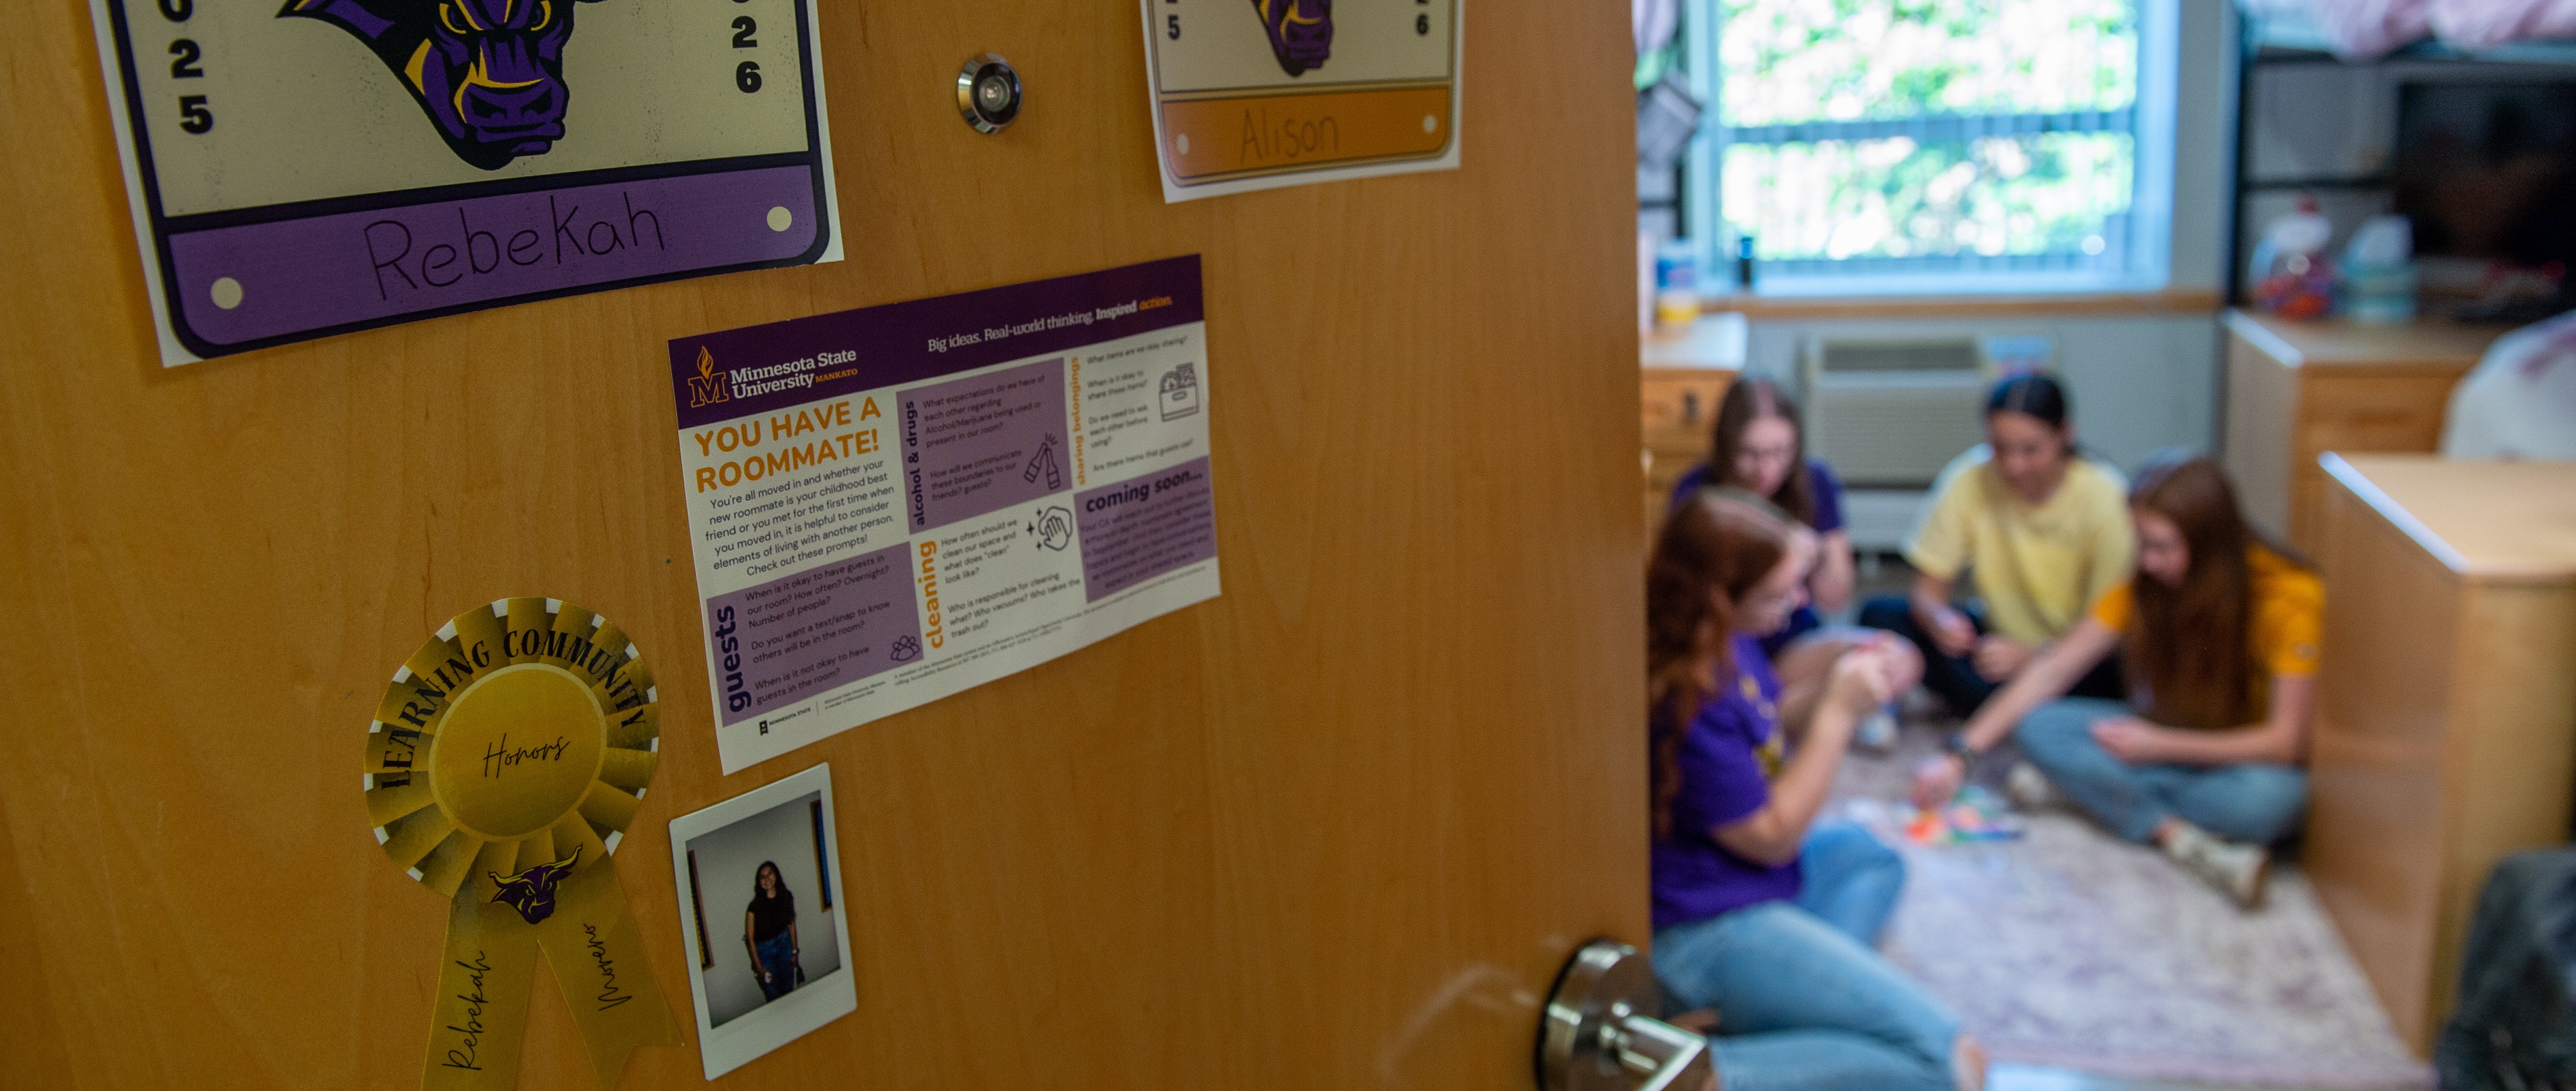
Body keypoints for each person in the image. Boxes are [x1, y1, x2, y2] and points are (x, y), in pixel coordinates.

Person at [1650, 491, 1983, 1091]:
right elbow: (1773, 838)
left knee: (1869, 856)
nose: (1798, 602)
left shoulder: (1729, 641)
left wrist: (1837, 677)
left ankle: (1783, 1007)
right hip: (1700, 931)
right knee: (1949, 1063)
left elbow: (1766, 722)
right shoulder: (1687, 700)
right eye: (1779, 595)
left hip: (1745, 889)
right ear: (1721, 599)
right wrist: (1837, 713)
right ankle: (1707, 1076)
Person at [1910, 454, 2321, 908]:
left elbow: (2286, 743)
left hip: (2231, 755)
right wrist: (1958, 756)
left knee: (2273, 803)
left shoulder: (2291, 599)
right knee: (2040, 725)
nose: (2147, 562)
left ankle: (2091, 790)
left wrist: (2160, 746)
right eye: (2141, 545)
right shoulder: (2144, 586)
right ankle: (2177, 836)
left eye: (2163, 547)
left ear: (2211, 544)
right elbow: (2051, 672)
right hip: (2166, 734)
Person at [1858, 375, 2135, 717]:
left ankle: (2011, 712)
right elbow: (1927, 592)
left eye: (2030, 450)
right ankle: (2008, 712)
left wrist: (2035, 657)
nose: (2013, 465)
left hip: (2075, 662)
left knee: (2122, 674)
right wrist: (1940, 620)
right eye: (2000, 447)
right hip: (1993, 648)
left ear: (2066, 434)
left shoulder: (2107, 499)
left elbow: (2109, 632)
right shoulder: (1970, 477)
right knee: (1880, 616)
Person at [1672, 377, 1919, 740]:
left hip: (1792, 647)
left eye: (1780, 453)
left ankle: (1790, 712)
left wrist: (1815, 554)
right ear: (1725, 448)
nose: (1766, 469)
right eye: (1750, 453)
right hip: (1728, 649)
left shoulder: (1813, 481)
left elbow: (1834, 597)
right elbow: (1686, 608)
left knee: (1901, 657)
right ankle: (1797, 714)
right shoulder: (1699, 497)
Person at [744, 861, 802, 1001]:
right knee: (772, 992)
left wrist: (795, 952)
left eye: (770, 874)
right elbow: (750, 939)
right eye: (762, 877)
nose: (767, 879)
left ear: (776, 874)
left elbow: (792, 925)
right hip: (765, 952)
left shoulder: (786, 897)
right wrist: (758, 967)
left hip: (785, 945)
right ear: (759, 882)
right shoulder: (754, 907)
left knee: (788, 987)